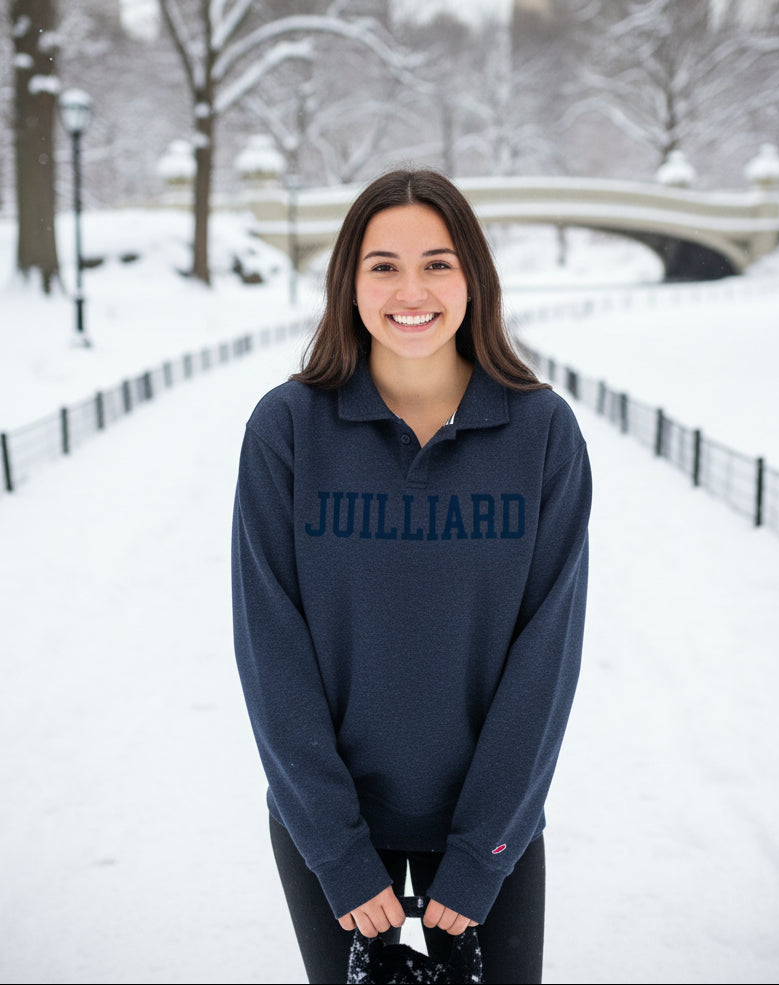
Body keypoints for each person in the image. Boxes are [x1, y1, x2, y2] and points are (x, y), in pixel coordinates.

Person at [231, 167, 591, 984]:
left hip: (489, 827)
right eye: (383, 266)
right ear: (349, 282)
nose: (411, 291)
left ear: (473, 277)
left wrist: (484, 848)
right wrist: (336, 849)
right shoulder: (287, 429)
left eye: (437, 263)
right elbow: (270, 648)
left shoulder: (542, 432)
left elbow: (547, 657)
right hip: (329, 827)